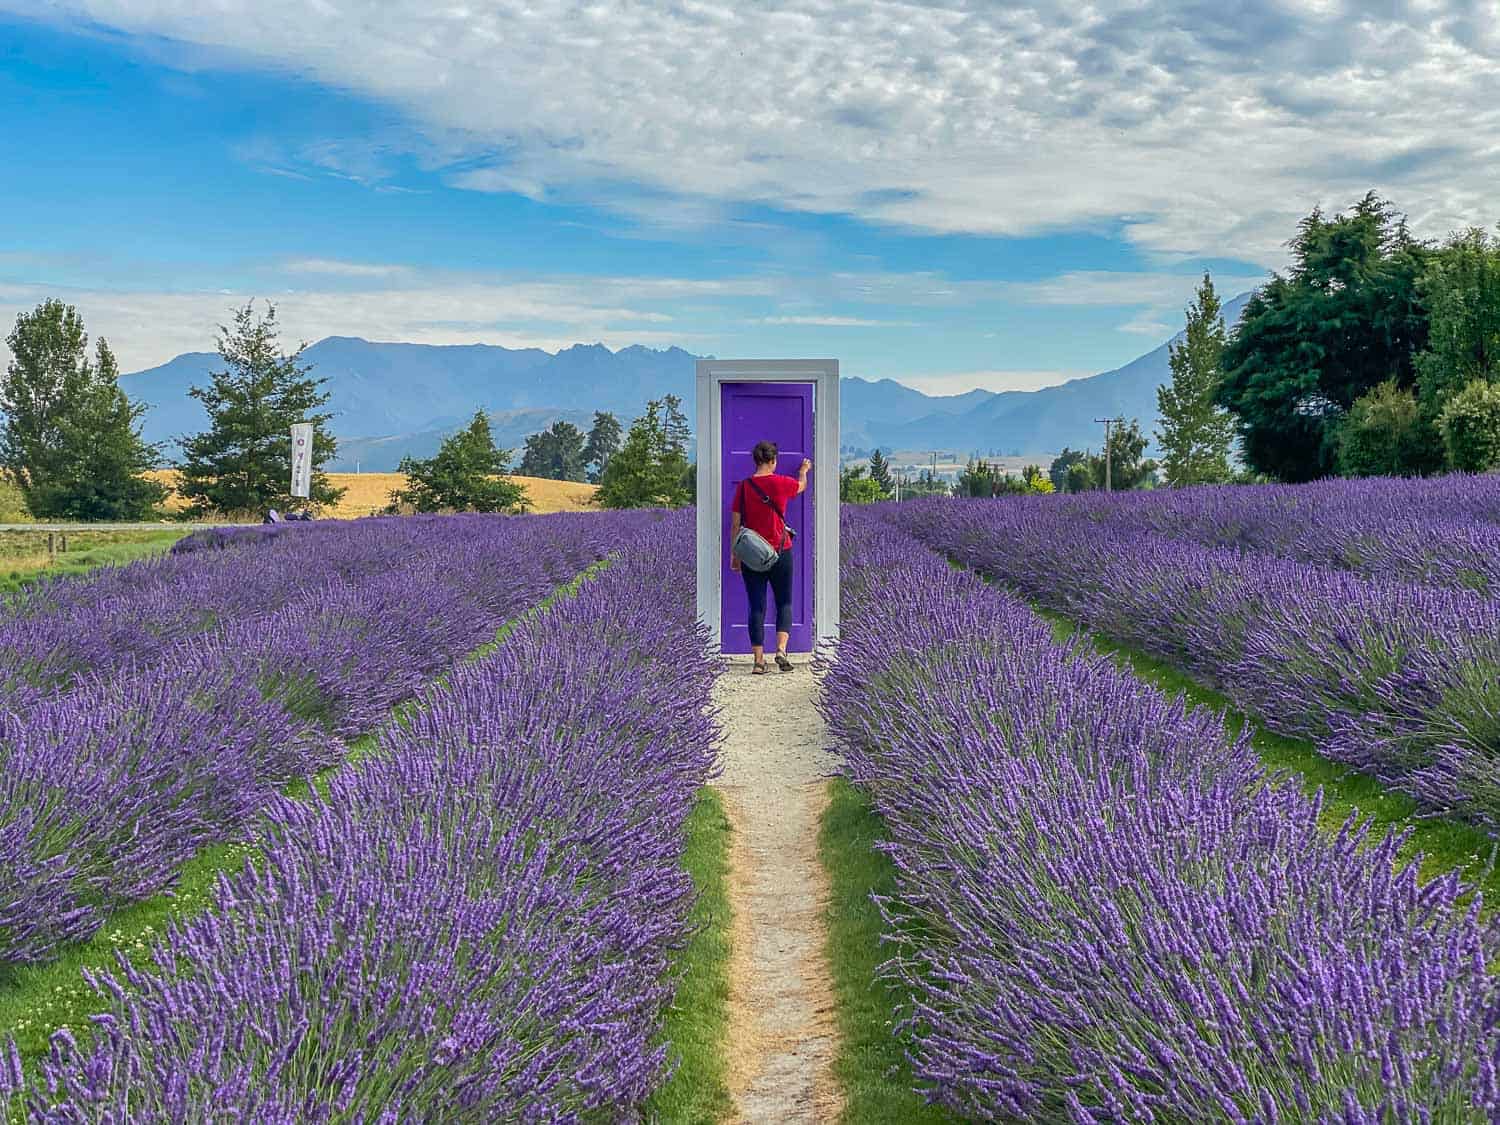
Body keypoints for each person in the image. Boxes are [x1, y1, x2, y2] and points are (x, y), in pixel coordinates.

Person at [729, 441, 811, 674]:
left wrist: (735, 556)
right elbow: (801, 487)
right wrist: (803, 472)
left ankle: (758, 661)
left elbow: (735, 524)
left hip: (752, 555)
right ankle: (781, 651)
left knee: (756, 605)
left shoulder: (744, 487)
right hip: (780, 551)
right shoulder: (781, 483)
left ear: (755, 460)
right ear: (773, 461)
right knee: (784, 601)